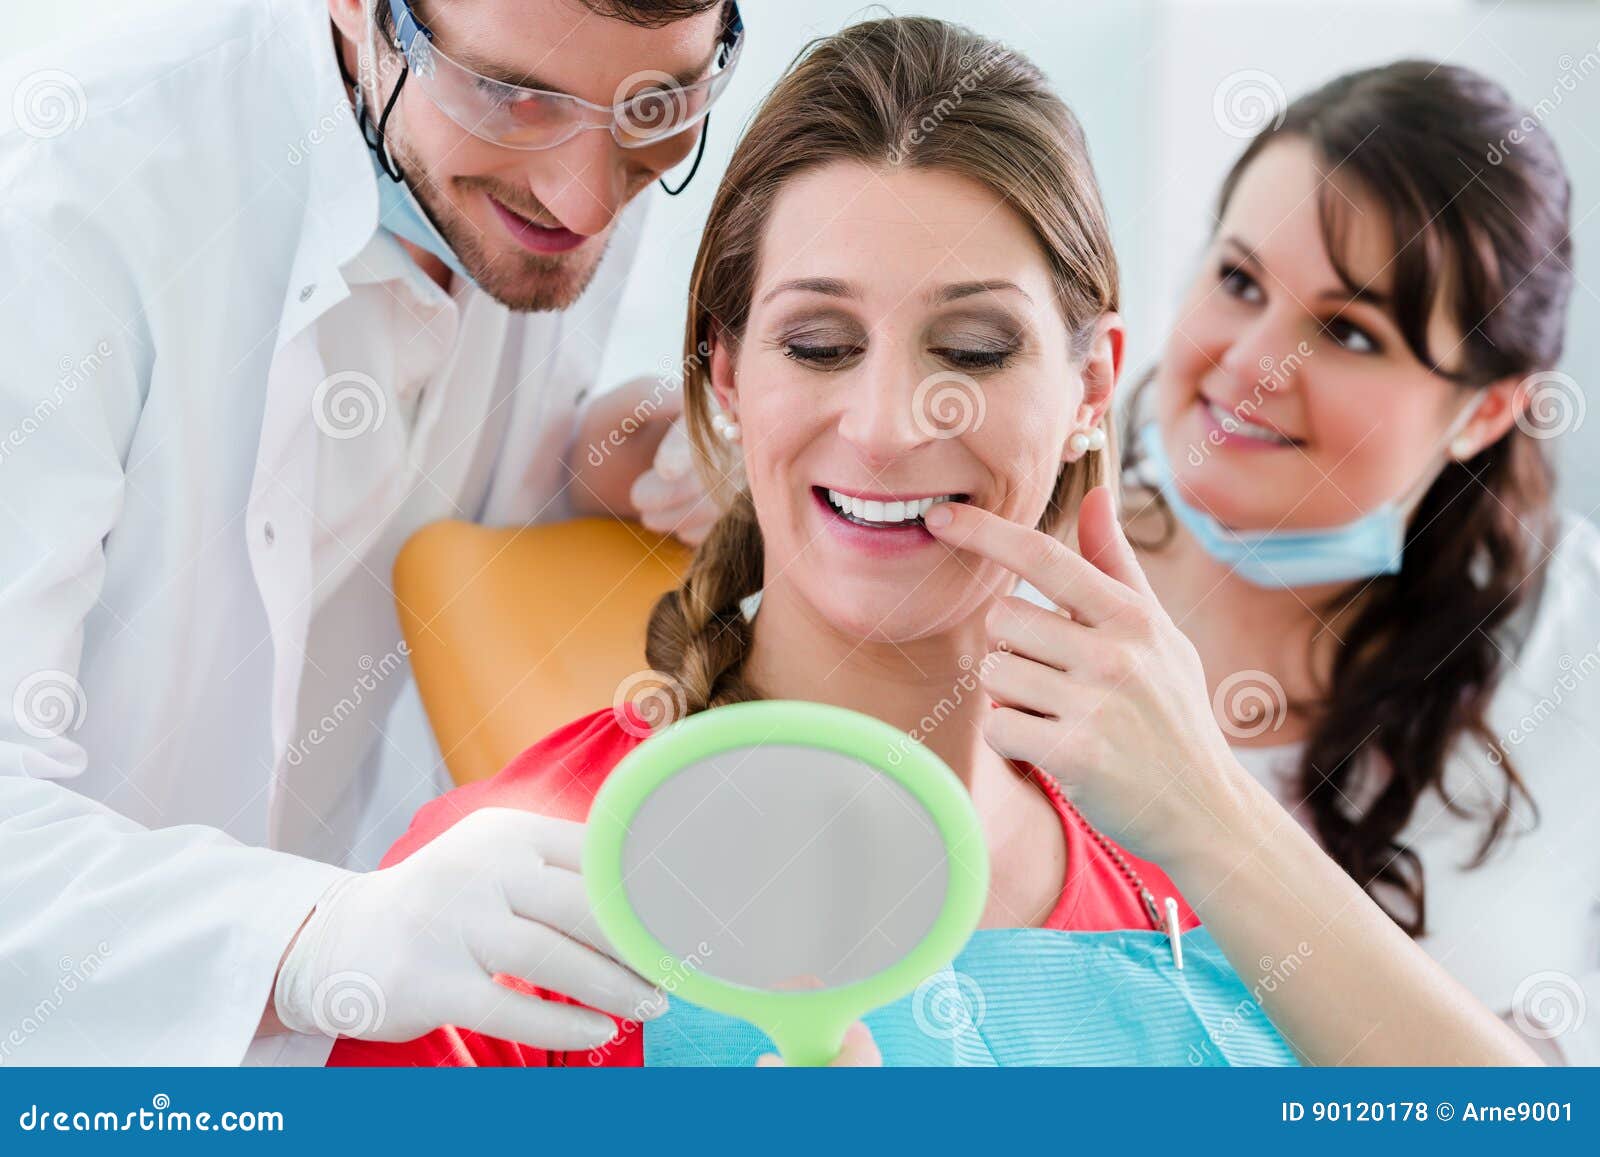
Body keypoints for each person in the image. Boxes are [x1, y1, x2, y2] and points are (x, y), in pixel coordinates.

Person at [328, 17, 1539, 1067]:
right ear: (729, 377)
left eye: (972, 349)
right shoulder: (514, 905)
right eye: (816, 345)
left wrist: (1209, 808)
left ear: (1089, 387)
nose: (892, 425)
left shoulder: (1191, 875)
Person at [0, 0, 736, 1065]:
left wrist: (650, 447)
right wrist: (314, 939)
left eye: (658, 104)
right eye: (510, 94)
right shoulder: (62, 199)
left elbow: (434, 466)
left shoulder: (559, 150)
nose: (583, 197)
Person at [1120, 60, 1599, 1065]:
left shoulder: (1571, 654)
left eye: (1346, 329)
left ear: (1486, 410)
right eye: (1238, 279)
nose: (1251, 363)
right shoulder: (1011, 545)